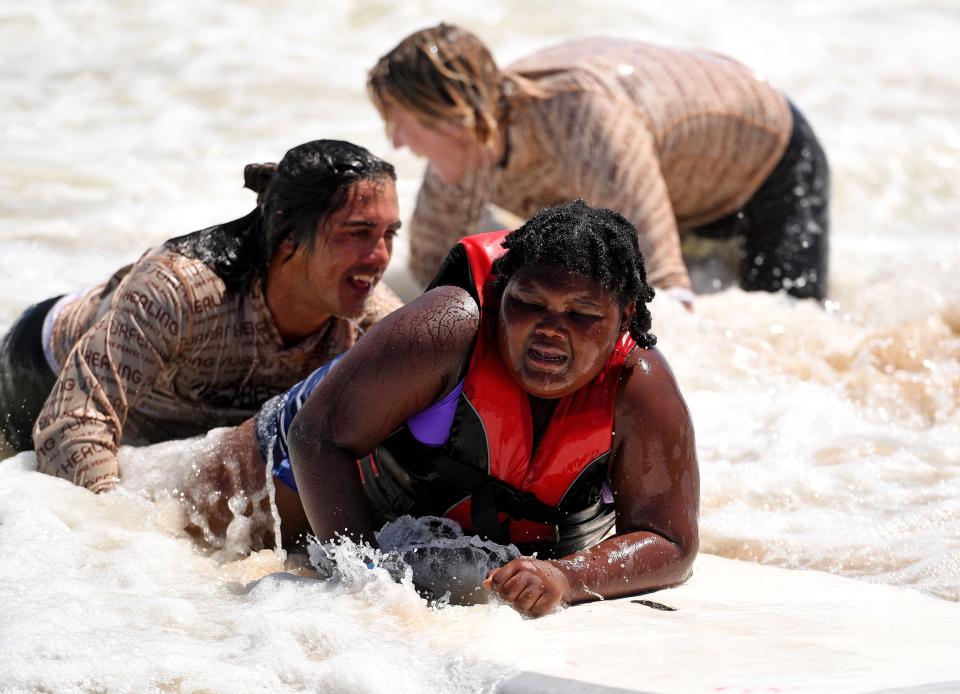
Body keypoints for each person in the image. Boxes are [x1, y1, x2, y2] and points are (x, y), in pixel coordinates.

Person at [270, 200, 698, 616]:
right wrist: (364, 585)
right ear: (502, 291)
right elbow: (315, 435)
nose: (550, 329)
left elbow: (671, 540)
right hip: (276, 472)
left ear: (624, 317)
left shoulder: (639, 388)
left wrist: (566, 577)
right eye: (529, 304)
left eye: (582, 313)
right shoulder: (446, 329)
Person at [0, 139, 403, 494]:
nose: (381, 257)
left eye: (389, 235)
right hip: (40, 371)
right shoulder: (178, 291)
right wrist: (117, 547)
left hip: (174, 430)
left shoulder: (372, 319)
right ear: (288, 234)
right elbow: (74, 422)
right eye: (358, 233)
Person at [368, 23, 830, 306]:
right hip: (677, 180)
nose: (396, 142)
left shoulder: (586, 122)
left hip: (768, 159)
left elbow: (670, 294)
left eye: (402, 123)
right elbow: (430, 281)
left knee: (786, 316)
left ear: (454, 115)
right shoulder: (464, 148)